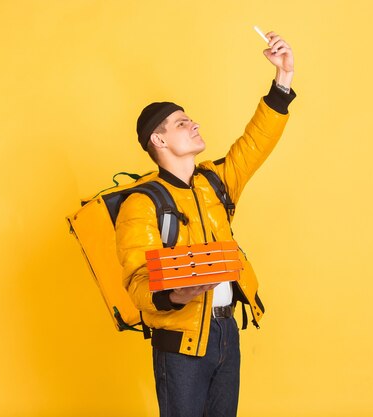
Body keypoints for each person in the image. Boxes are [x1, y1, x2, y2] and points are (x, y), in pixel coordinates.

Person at [115, 29, 296, 417]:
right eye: (181, 123)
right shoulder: (142, 202)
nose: (193, 124)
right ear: (158, 142)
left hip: (226, 332)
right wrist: (178, 295)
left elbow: (255, 142)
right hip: (181, 343)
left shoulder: (216, 181)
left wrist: (282, 80)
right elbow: (136, 281)